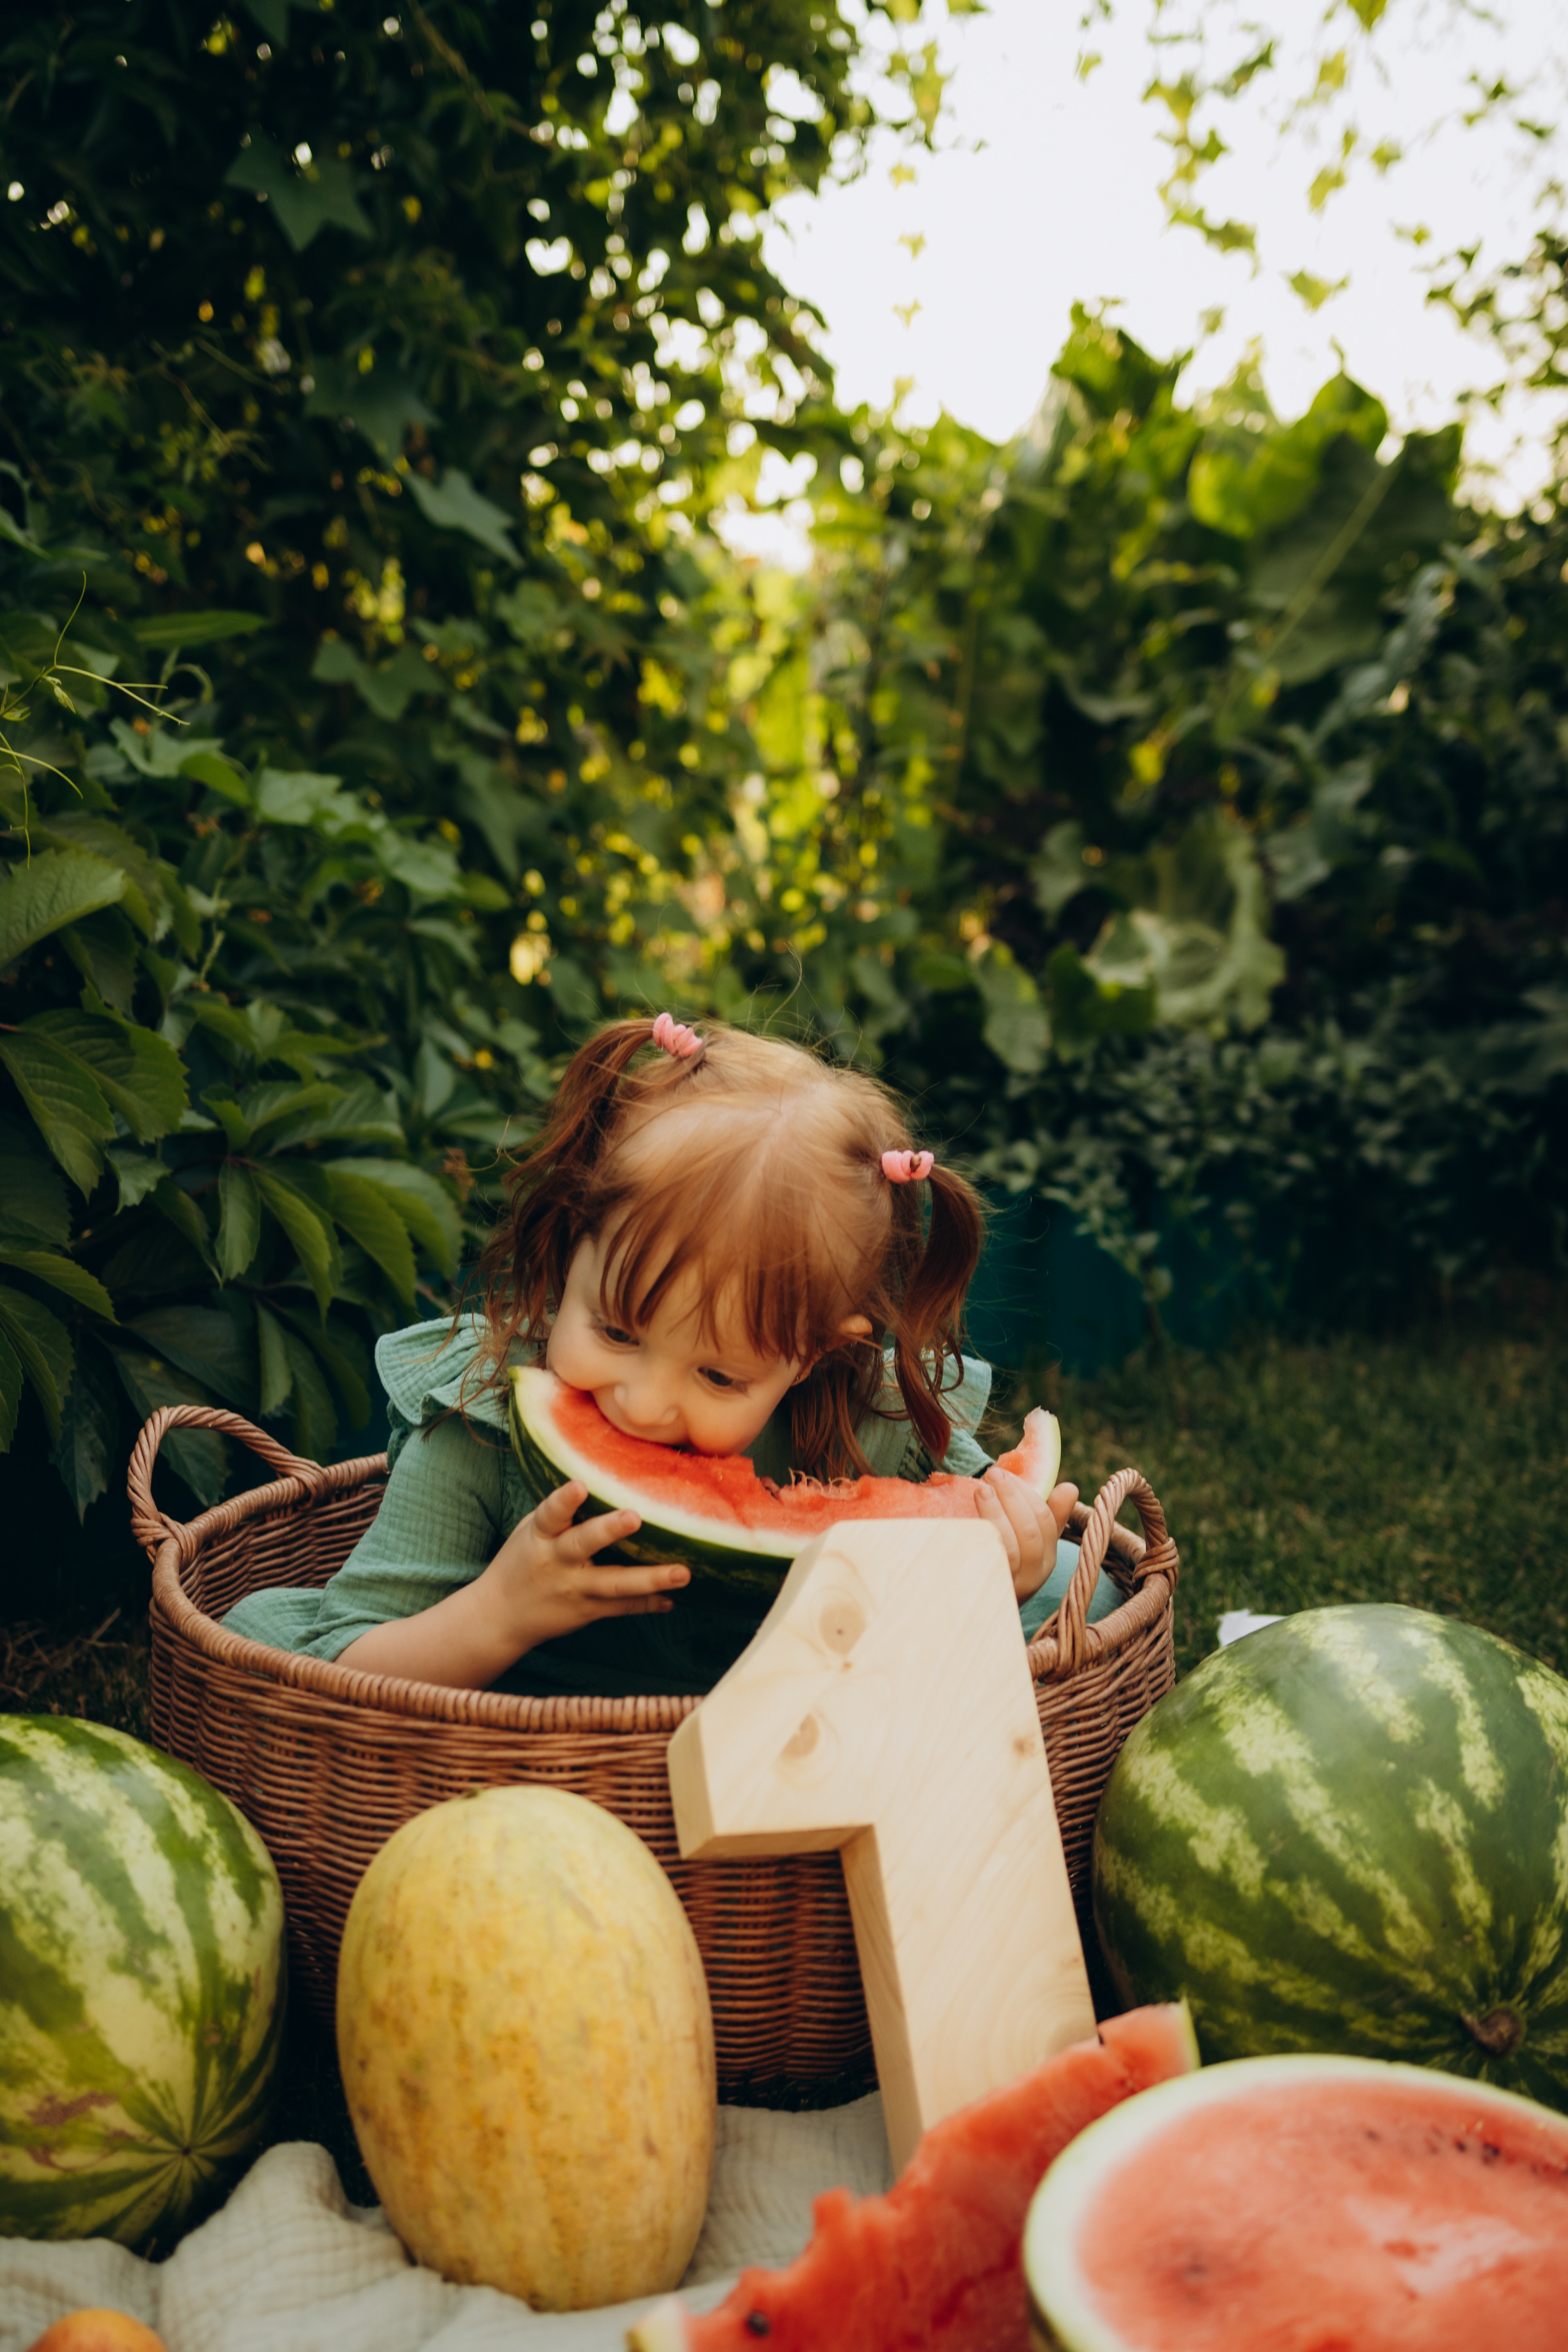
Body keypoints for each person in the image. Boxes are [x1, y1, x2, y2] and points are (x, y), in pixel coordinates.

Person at [223, 1014, 1081, 1697]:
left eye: (718, 1376)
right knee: (254, 1633)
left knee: (1084, 1588)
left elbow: (977, 1553)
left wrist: (1008, 1562)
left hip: (798, 1751)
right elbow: (340, 1665)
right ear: (572, 1248)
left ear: (817, 1356)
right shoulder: (479, 1427)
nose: (640, 1403)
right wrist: (499, 1614)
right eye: (616, 1332)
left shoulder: (872, 1420)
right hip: (530, 1745)